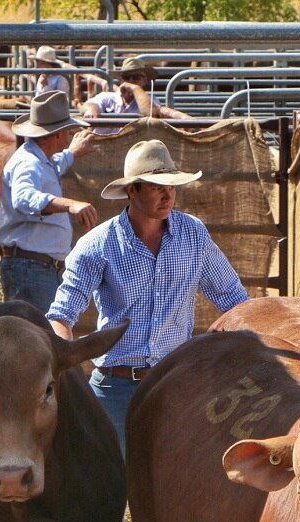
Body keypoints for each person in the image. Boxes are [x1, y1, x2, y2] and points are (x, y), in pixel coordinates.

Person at [46, 139, 248, 454]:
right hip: (115, 387)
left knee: (178, 483)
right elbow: (62, 314)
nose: (168, 194)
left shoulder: (193, 235)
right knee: (108, 484)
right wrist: (62, 365)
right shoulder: (98, 245)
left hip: (176, 383)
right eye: (156, 186)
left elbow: (233, 298)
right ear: (132, 191)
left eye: (171, 186)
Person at [0, 90, 99, 314]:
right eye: (67, 131)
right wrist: (70, 204)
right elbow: (24, 198)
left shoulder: (40, 159)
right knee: (38, 339)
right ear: (58, 135)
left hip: (35, 267)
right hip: (31, 269)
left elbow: (53, 167)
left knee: (42, 337)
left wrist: (71, 153)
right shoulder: (29, 163)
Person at [80, 56, 190, 134]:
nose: (131, 81)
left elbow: (150, 113)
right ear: (121, 79)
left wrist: (135, 88)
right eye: (127, 77)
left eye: (136, 77)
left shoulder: (149, 100)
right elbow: (88, 105)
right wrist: (91, 108)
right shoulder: (107, 97)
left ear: (145, 81)